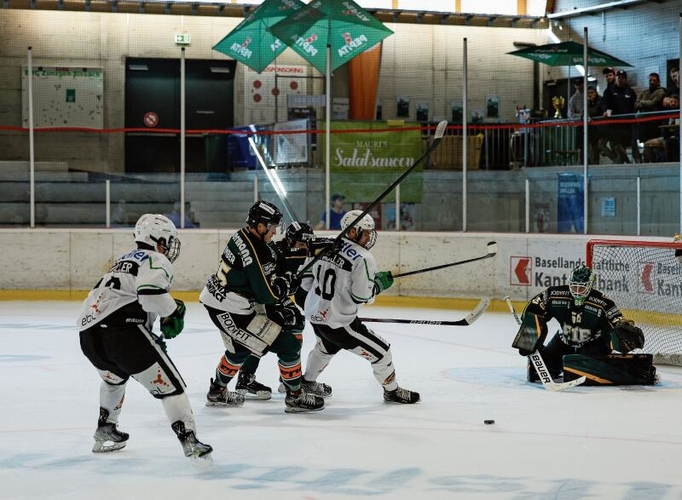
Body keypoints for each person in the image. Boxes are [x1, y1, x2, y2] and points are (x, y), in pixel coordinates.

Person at [77, 214, 212, 459]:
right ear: (158, 239)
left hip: (89, 336)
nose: (170, 247)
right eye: (169, 240)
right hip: (124, 333)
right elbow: (150, 295)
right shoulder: (156, 258)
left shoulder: (123, 260)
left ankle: (106, 428)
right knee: (173, 386)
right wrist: (174, 311)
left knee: (114, 379)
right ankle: (190, 440)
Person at [200, 200, 324, 413]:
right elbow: (268, 294)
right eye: (272, 227)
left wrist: (296, 253)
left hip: (223, 301)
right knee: (289, 346)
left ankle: (217, 391)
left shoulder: (245, 236)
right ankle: (294, 397)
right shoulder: (253, 252)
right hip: (230, 309)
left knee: (239, 350)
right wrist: (286, 283)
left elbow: (273, 259)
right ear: (260, 225)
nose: (275, 232)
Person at [302, 209, 420, 403]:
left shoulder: (322, 243)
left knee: (325, 347)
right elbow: (361, 297)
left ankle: (307, 382)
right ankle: (392, 391)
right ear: (351, 232)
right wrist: (378, 285)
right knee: (382, 352)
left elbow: (306, 280)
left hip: (315, 315)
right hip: (339, 323)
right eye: (365, 232)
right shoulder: (364, 258)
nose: (369, 237)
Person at [236, 221, 335, 399]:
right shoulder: (277, 252)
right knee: (266, 333)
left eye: (306, 244)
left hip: (274, 298)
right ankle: (245, 378)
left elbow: (300, 292)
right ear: (289, 241)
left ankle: (288, 378)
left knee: (296, 319)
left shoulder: (300, 253)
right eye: (299, 244)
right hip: (259, 300)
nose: (303, 248)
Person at [511, 265, 656, 386]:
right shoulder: (554, 294)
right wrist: (529, 333)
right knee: (535, 373)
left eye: (581, 288)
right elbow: (535, 307)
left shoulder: (603, 302)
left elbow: (617, 321)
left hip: (593, 344)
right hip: (564, 340)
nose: (577, 291)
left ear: (590, 286)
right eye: (574, 287)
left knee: (575, 371)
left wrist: (624, 332)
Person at [601, 70, 637, 163]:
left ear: (625, 79)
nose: (620, 79)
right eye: (619, 77)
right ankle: (627, 163)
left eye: (623, 78)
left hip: (627, 125)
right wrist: (605, 111)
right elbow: (605, 103)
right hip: (614, 125)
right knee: (616, 145)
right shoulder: (609, 91)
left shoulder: (630, 91)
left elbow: (634, 105)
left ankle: (625, 163)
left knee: (625, 145)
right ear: (616, 78)